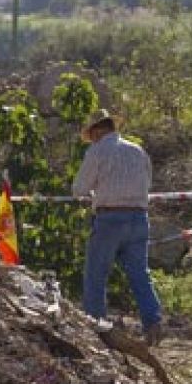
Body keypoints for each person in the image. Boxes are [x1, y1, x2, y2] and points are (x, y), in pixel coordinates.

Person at [71, 108, 165, 346]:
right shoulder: (137, 151)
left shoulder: (97, 151)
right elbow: (147, 183)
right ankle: (153, 322)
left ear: (97, 131)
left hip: (110, 218)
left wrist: (94, 194)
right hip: (139, 218)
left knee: (96, 275)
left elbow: (79, 188)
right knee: (139, 274)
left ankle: (96, 327)